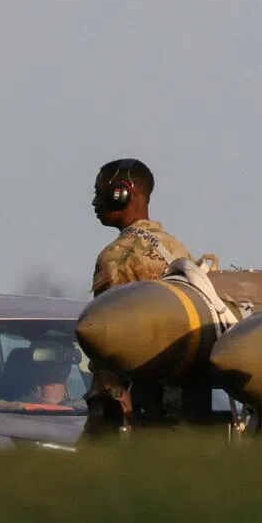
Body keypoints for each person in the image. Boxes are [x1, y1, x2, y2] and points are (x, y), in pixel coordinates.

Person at [84, 158, 193, 434]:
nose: (95, 202)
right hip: (177, 393)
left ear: (121, 193)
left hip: (137, 400)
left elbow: (108, 336)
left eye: (100, 192)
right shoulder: (177, 249)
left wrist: (107, 400)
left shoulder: (117, 257)